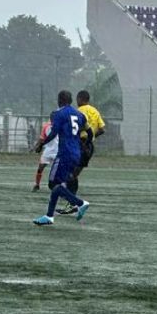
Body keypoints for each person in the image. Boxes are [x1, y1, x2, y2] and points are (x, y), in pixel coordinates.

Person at [32, 90, 93, 226]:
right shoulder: (80, 114)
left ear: (59, 100)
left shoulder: (59, 114)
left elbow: (53, 133)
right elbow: (89, 131)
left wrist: (41, 144)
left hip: (64, 153)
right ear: (71, 100)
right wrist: (86, 144)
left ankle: (80, 203)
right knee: (58, 184)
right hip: (76, 153)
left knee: (53, 184)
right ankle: (49, 217)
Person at [57, 90, 106, 214]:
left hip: (79, 144)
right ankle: (72, 202)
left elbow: (76, 126)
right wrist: (91, 137)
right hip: (89, 147)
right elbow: (102, 129)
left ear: (80, 99)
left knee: (70, 174)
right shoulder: (95, 111)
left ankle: (73, 202)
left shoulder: (79, 111)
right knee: (73, 175)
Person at [31, 120, 58, 192]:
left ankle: (59, 186)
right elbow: (41, 138)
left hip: (58, 151)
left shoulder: (61, 125)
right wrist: (36, 146)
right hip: (48, 151)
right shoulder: (46, 126)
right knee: (40, 168)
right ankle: (37, 184)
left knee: (57, 171)